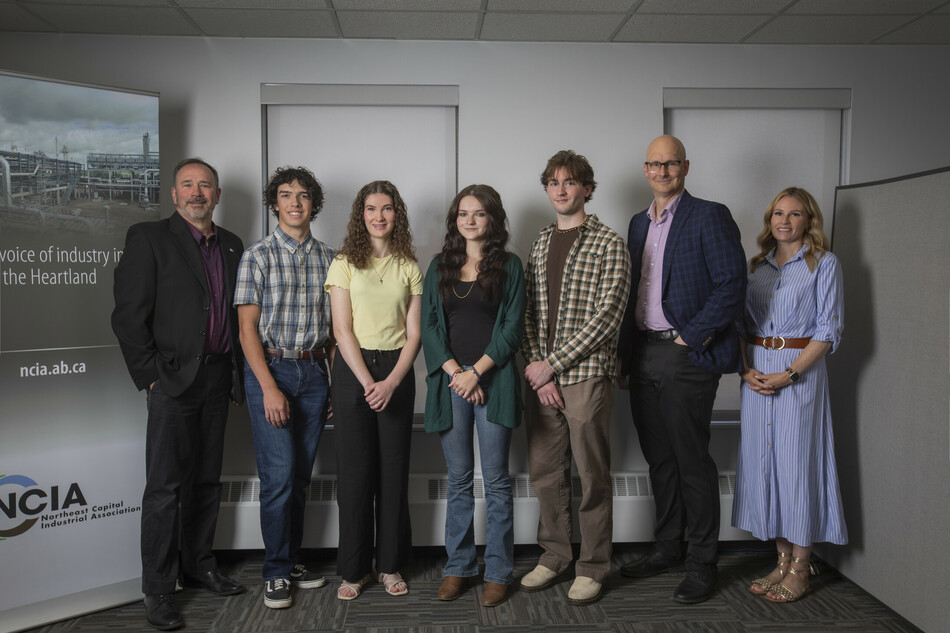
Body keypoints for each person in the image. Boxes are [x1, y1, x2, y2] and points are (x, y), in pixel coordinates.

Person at [112, 157, 246, 631]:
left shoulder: (232, 245)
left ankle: (200, 564)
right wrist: (150, 376)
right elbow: (128, 316)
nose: (196, 193)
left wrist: (235, 375)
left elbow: (234, 316)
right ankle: (159, 588)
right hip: (170, 382)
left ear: (217, 194)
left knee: (206, 481)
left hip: (216, 380)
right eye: (187, 185)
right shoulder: (149, 238)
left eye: (205, 185)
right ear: (173, 194)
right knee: (165, 489)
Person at [618, 135, 746, 604]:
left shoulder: (709, 215)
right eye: (655, 164)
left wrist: (691, 336)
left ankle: (702, 562)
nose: (663, 171)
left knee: (692, 460)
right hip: (643, 353)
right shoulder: (637, 224)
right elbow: (632, 292)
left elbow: (732, 283)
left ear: (685, 167)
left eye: (670, 164)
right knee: (660, 458)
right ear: (645, 169)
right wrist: (623, 355)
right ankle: (668, 547)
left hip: (685, 354)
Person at [520, 150, 630, 605]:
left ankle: (593, 565)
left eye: (570, 182)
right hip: (541, 380)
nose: (561, 190)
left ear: (587, 187)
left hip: (586, 375)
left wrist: (554, 363)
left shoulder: (609, 242)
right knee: (546, 474)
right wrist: (537, 370)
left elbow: (609, 316)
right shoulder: (541, 242)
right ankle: (554, 556)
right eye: (554, 183)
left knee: (591, 473)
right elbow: (525, 312)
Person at [731, 187, 847, 603]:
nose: (784, 220)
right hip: (757, 374)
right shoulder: (757, 266)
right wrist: (746, 370)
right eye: (778, 213)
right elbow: (742, 325)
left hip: (800, 374)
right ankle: (780, 560)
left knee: (797, 466)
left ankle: (801, 565)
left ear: (808, 221)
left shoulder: (823, 264)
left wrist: (789, 375)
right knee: (767, 463)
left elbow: (828, 331)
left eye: (795, 214)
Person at [233, 167, 334, 609]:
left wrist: (330, 385)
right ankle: (274, 570)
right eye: (286, 195)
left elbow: (336, 332)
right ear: (274, 203)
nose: (295, 202)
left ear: (314, 204)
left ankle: (292, 559)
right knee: (276, 478)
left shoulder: (332, 259)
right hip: (270, 372)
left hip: (314, 375)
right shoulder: (256, 256)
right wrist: (269, 387)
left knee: (298, 477)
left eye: (304, 195)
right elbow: (246, 331)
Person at [421, 185, 525, 608]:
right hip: (451, 387)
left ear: (492, 220)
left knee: (497, 482)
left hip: (492, 384)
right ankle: (459, 567)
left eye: (478, 214)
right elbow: (428, 325)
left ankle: (499, 571)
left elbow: (512, 328)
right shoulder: (439, 265)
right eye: (463, 213)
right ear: (455, 220)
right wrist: (455, 373)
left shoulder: (511, 266)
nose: (469, 220)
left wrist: (476, 373)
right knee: (459, 480)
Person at [325, 180, 422, 601]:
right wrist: (368, 382)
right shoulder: (344, 263)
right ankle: (354, 570)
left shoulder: (410, 266)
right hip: (353, 371)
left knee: (393, 472)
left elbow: (415, 334)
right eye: (370, 208)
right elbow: (341, 330)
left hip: (397, 370)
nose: (378, 216)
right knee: (354, 474)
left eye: (386, 208)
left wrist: (392, 381)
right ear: (360, 214)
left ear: (396, 214)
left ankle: (390, 565)